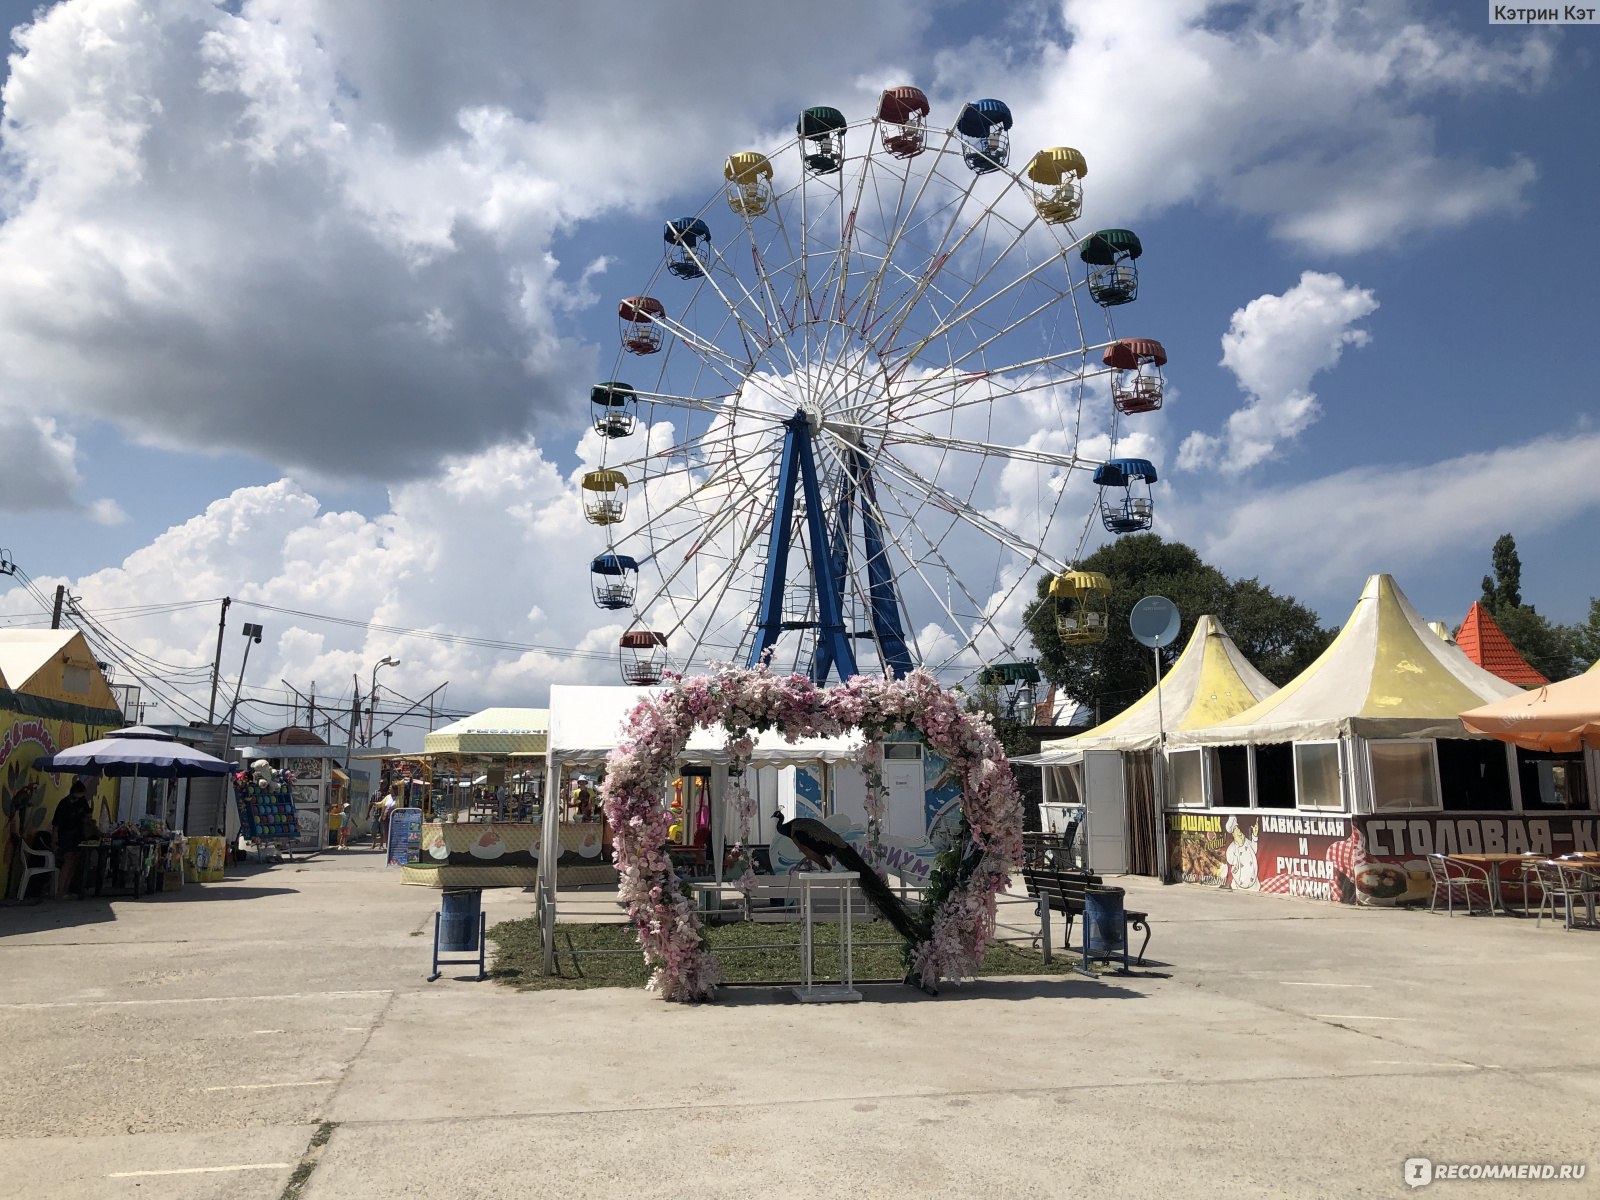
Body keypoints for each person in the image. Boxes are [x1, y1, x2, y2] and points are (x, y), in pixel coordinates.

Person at [51, 780, 94, 900]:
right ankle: (60, 891)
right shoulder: (64, 804)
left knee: (74, 862)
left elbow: (87, 816)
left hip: (79, 836)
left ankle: (67, 889)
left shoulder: (82, 802)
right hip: (66, 836)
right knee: (67, 862)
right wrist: (54, 841)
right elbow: (56, 825)